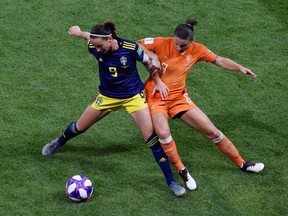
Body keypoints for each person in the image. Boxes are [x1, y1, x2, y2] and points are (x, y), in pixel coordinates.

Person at [41, 20, 188, 196]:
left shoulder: (131, 47)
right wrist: (78, 32)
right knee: (80, 126)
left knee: (151, 138)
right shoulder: (95, 45)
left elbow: (149, 63)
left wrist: (158, 82)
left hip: (133, 96)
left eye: (100, 46)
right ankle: (59, 141)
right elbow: (89, 37)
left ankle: (171, 182)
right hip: (108, 96)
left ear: (110, 38)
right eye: (94, 46)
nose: (96, 50)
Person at [138, 18, 265, 188]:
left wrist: (240, 67)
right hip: (156, 97)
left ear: (191, 42)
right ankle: (182, 170)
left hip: (179, 98)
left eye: (183, 45)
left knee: (212, 132)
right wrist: (152, 55)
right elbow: (136, 43)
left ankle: (242, 163)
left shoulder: (198, 50)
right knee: (163, 133)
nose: (178, 47)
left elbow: (218, 60)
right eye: (176, 43)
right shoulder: (162, 42)